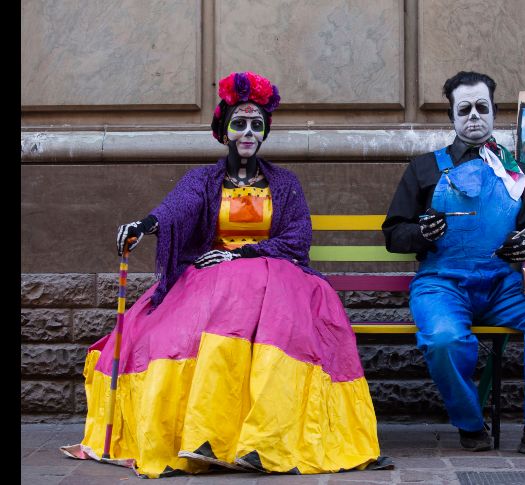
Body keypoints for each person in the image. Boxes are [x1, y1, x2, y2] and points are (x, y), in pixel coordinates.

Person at [61, 71, 390, 478]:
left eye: (256, 125)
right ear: (224, 131)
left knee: (287, 331)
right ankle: (204, 434)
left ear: (265, 132)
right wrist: (144, 226)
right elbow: (177, 207)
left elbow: (297, 236)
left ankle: (264, 439)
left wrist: (244, 254)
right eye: (240, 124)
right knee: (168, 334)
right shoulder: (204, 179)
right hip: (211, 279)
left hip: (275, 280)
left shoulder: (284, 184)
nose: (248, 132)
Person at [382, 71, 525, 461]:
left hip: (505, 284)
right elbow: (393, 234)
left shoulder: (516, 173)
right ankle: (470, 422)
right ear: (452, 117)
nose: (474, 116)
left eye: (482, 107)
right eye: (464, 109)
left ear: (493, 112)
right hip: (442, 283)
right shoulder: (423, 169)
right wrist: (423, 233)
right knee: (443, 340)